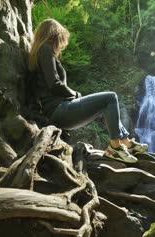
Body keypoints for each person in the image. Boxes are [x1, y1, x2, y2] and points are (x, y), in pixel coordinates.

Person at [28, 19, 148, 163]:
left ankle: (126, 143)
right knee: (110, 98)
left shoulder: (41, 52)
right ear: (54, 36)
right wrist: (75, 94)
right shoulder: (45, 49)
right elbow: (54, 84)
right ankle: (115, 148)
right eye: (61, 39)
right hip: (58, 110)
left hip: (58, 110)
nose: (61, 45)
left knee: (107, 103)